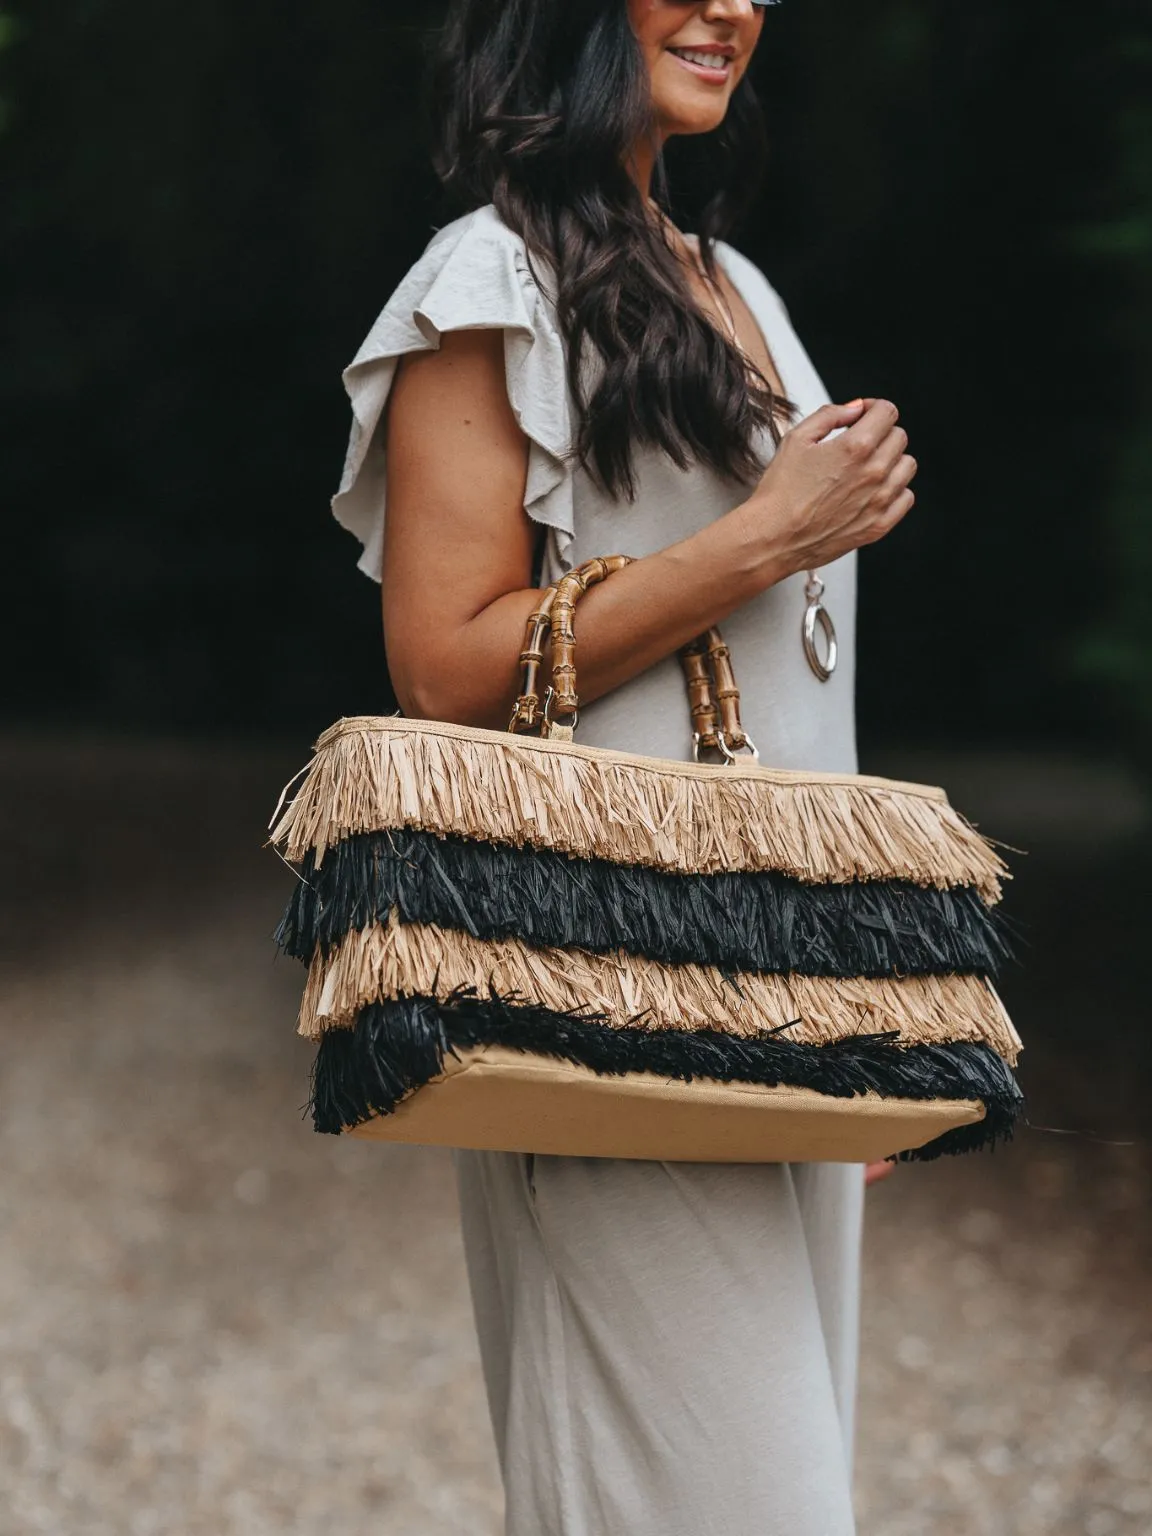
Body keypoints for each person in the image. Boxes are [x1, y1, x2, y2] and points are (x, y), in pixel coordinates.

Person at [329, 1, 916, 1530]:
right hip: (595, 997)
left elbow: (798, 719)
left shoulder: (739, 289)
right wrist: (767, 538)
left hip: (767, 1007)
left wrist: (842, 1026)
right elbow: (443, 668)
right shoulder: (490, 281)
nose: (733, 6)